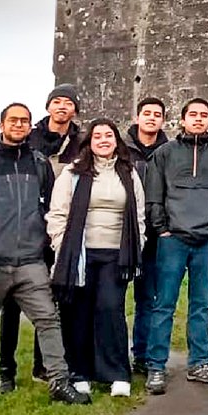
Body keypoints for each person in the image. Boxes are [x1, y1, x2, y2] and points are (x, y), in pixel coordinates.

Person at [0, 104, 89, 409]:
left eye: (24, 121)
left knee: (48, 319)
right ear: (1, 124)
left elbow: (50, 207)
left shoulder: (38, 164)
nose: (19, 125)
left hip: (31, 261)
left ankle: (58, 381)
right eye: (13, 120)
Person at [143, 98, 208, 393]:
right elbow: (154, 194)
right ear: (182, 120)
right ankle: (156, 366)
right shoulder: (164, 153)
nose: (198, 119)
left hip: (207, 239)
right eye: (192, 115)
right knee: (164, 305)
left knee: (200, 305)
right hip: (174, 240)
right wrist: (162, 229)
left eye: (204, 115)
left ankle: (198, 362)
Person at [47, 119, 145, 398]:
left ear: (117, 141)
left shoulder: (128, 173)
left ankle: (116, 373)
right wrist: (61, 246)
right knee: (78, 312)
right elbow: (58, 213)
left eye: (109, 135)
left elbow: (138, 215)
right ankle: (80, 372)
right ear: (89, 142)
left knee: (110, 310)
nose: (103, 140)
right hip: (80, 253)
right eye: (98, 136)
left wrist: (139, 244)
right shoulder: (73, 172)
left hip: (116, 252)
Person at [0, 84, 80, 390]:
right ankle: (6, 369)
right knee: (11, 304)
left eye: (68, 103)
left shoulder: (80, 141)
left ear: (74, 109)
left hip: (57, 226)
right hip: (22, 226)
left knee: (48, 300)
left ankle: (41, 366)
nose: (62, 107)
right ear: (48, 107)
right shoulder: (28, 138)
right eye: (56, 102)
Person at [125, 97, 169, 376]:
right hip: (123, 233)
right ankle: (113, 355)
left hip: (154, 236)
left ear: (163, 120)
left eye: (157, 114)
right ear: (138, 117)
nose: (151, 118)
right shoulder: (121, 150)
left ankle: (142, 353)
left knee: (148, 298)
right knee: (113, 300)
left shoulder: (169, 151)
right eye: (147, 113)